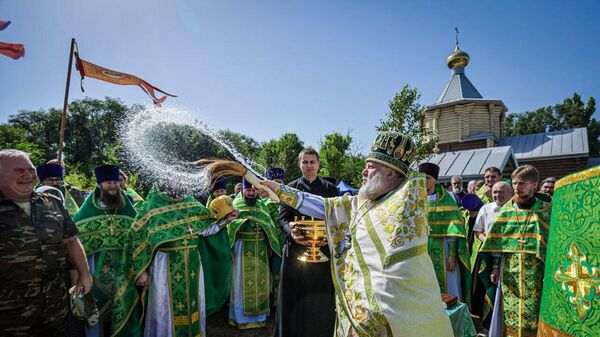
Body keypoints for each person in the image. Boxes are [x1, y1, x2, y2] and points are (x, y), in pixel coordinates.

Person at [261, 132, 453, 337]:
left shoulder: (404, 213)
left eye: (370, 167)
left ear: (389, 173)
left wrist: (367, 321)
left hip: (389, 321)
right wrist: (280, 190)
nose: (363, 172)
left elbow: (395, 278)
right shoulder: (368, 201)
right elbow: (326, 206)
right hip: (358, 313)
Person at [0, 149, 92, 337]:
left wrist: (84, 274)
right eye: (19, 170)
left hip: (55, 310)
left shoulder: (52, 202)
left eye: (31, 169)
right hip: (10, 316)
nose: (28, 175)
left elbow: (71, 241)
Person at [132, 184, 239, 337]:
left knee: (194, 304)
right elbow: (139, 240)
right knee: (164, 307)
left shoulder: (190, 202)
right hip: (164, 267)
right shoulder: (153, 205)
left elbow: (205, 229)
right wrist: (141, 270)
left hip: (193, 265)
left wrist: (226, 220)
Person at [480, 165, 551, 337]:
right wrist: (495, 266)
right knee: (509, 312)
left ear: (534, 185)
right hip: (509, 271)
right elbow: (498, 242)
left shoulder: (546, 210)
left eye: (522, 183)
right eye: (514, 183)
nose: (517, 188)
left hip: (537, 272)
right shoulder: (508, 209)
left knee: (534, 311)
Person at [72, 165, 143, 337]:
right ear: (99, 185)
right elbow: (76, 241)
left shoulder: (127, 208)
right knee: (95, 311)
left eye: (116, 182)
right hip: (95, 272)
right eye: (108, 182)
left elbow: (139, 237)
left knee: (124, 308)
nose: (113, 186)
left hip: (125, 271)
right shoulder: (87, 212)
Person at [275, 149, 338, 337]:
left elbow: (336, 217)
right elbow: (283, 219)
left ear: (319, 164)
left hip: (323, 251)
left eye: (312, 162)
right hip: (296, 251)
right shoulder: (290, 189)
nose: (309, 166)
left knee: (321, 296)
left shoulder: (330, 189)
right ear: (299, 164)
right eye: (305, 162)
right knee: (294, 295)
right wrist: (291, 233)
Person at [227, 179, 281, 329]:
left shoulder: (261, 206)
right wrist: (242, 223)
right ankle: (240, 318)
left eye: (253, 191)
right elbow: (228, 226)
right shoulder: (235, 205)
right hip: (241, 249)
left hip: (260, 250)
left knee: (260, 282)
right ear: (243, 191)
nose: (251, 193)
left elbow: (270, 226)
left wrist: (265, 232)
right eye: (248, 190)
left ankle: (259, 316)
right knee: (240, 282)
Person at [419, 163, 471, 304]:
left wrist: (452, 255)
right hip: (420, 249)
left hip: (444, 249)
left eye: (427, 178)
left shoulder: (447, 198)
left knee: (449, 285)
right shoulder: (415, 198)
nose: (423, 181)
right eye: (421, 177)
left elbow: (453, 229)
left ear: (435, 180)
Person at [470, 181, 513, 334]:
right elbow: (478, 232)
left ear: (511, 193)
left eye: (501, 192)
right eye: (495, 192)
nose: (497, 195)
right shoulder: (486, 209)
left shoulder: (515, 210)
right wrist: (489, 241)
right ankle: (489, 326)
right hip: (489, 257)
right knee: (490, 291)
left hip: (510, 258)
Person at [197, 174, 233, 317]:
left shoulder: (231, 203)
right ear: (212, 192)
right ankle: (213, 302)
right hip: (211, 247)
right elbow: (207, 229)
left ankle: (224, 300)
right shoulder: (208, 208)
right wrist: (225, 222)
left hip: (225, 242)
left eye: (222, 191)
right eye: (217, 192)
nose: (220, 194)